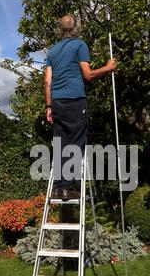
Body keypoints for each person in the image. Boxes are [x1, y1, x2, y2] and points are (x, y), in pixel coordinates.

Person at [44, 15, 117, 200]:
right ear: (77, 27)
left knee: (61, 143)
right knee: (76, 142)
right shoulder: (80, 45)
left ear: (61, 29)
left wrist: (49, 106)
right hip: (74, 99)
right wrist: (108, 68)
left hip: (57, 102)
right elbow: (88, 74)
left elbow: (47, 81)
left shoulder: (52, 51)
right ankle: (67, 187)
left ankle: (58, 187)